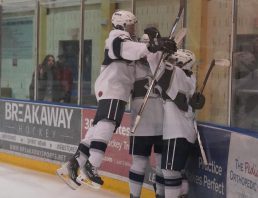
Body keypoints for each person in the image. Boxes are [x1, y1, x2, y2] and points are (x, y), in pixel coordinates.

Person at [56, 10, 177, 190]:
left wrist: (158, 46)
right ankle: (92, 165)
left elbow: (142, 55)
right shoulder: (116, 37)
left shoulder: (126, 41)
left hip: (112, 89)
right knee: (108, 121)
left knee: (98, 127)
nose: (133, 28)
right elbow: (129, 49)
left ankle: (73, 165)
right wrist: (154, 45)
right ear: (122, 24)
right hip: (113, 87)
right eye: (131, 24)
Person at [147, 49, 197, 197]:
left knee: (170, 172)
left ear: (184, 63)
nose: (172, 62)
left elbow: (160, 70)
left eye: (176, 60)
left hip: (178, 132)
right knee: (168, 171)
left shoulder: (180, 75)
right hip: (176, 132)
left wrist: (157, 50)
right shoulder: (186, 77)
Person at [129, 28, 165, 198]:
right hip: (141, 124)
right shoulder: (131, 67)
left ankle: (161, 195)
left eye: (148, 45)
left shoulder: (162, 63)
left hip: (163, 124)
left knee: (161, 164)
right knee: (139, 163)